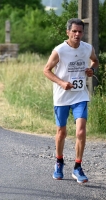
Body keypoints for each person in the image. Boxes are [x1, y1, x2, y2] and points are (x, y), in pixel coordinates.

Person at [43, 18, 99, 184]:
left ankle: (77, 167)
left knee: (81, 131)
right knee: (62, 132)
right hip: (62, 96)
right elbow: (46, 70)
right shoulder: (59, 50)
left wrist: (91, 69)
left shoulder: (87, 48)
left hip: (80, 95)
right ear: (68, 32)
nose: (77, 34)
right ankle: (59, 162)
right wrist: (61, 83)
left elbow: (95, 61)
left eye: (80, 31)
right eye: (74, 31)